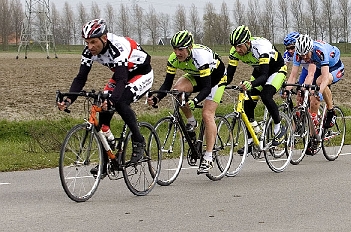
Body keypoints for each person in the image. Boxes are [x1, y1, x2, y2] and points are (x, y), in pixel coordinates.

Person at [57, 18, 153, 171]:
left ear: (104, 38)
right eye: (87, 42)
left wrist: (113, 101)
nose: (90, 46)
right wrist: (69, 99)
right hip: (122, 74)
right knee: (102, 105)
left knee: (120, 102)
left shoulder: (118, 47)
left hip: (141, 73)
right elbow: (81, 77)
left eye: (93, 42)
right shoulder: (89, 52)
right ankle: (105, 161)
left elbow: (122, 79)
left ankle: (138, 140)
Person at [147, 30, 226, 174]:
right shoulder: (173, 59)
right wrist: (157, 97)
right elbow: (167, 84)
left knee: (207, 114)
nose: (177, 53)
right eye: (175, 49)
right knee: (177, 90)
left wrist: (195, 101)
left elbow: (206, 87)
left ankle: (208, 158)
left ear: (189, 48)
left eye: (181, 49)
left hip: (216, 79)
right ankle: (191, 122)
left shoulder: (200, 57)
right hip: (196, 75)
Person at [226, 25, 288, 154]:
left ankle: (278, 128)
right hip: (260, 71)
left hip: (276, 70)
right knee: (247, 103)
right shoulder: (234, 51)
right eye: (235, 46)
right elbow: (229, 75)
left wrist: (251, 83)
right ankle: (251, 139)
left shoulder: (261, 47)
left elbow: (265, 76)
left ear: (248, 42)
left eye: (240, 46)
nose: (237, 50)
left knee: (266, 96)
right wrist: (219, 85)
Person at [290, 34, 345, 134]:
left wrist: (319, 93)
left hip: (335, 67)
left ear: (311, 49)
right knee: (308, 93)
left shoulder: (320, 51)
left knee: (319, 83)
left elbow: (324, 79)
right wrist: (287, 89)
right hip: (320, 67)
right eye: (302, 55)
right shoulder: (298, 54)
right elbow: (293, 76)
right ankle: (313, 136)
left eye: (306, 54)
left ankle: (331, 111)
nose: (305, 57)